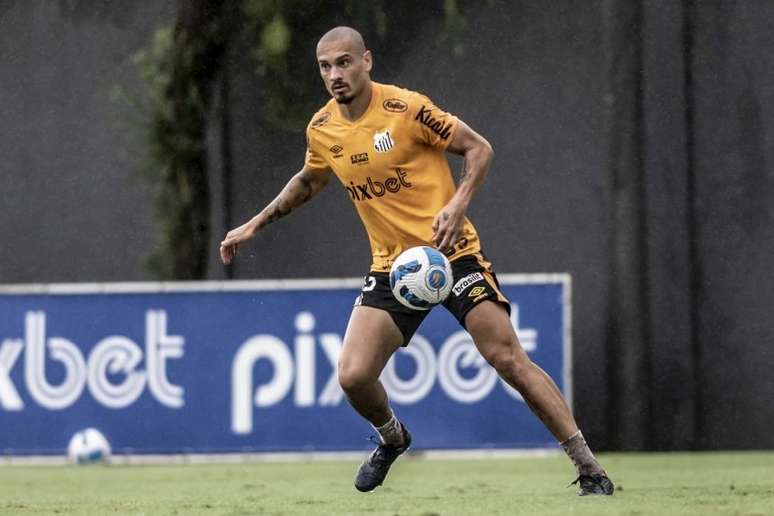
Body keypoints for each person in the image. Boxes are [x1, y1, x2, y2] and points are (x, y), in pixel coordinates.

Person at [220, 26, 614, 496]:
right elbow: (309, 180)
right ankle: (393, 438)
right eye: (325, 67)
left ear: (367, 61)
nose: (335, 74)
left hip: (452, 255)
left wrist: (458, 203)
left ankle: (589, 467)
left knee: (506, 356)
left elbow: (479, 148)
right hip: (393, 268)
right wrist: (254, 223)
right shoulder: (322, 129)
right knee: (353, 376)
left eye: (344, 62)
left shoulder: (405, 109)